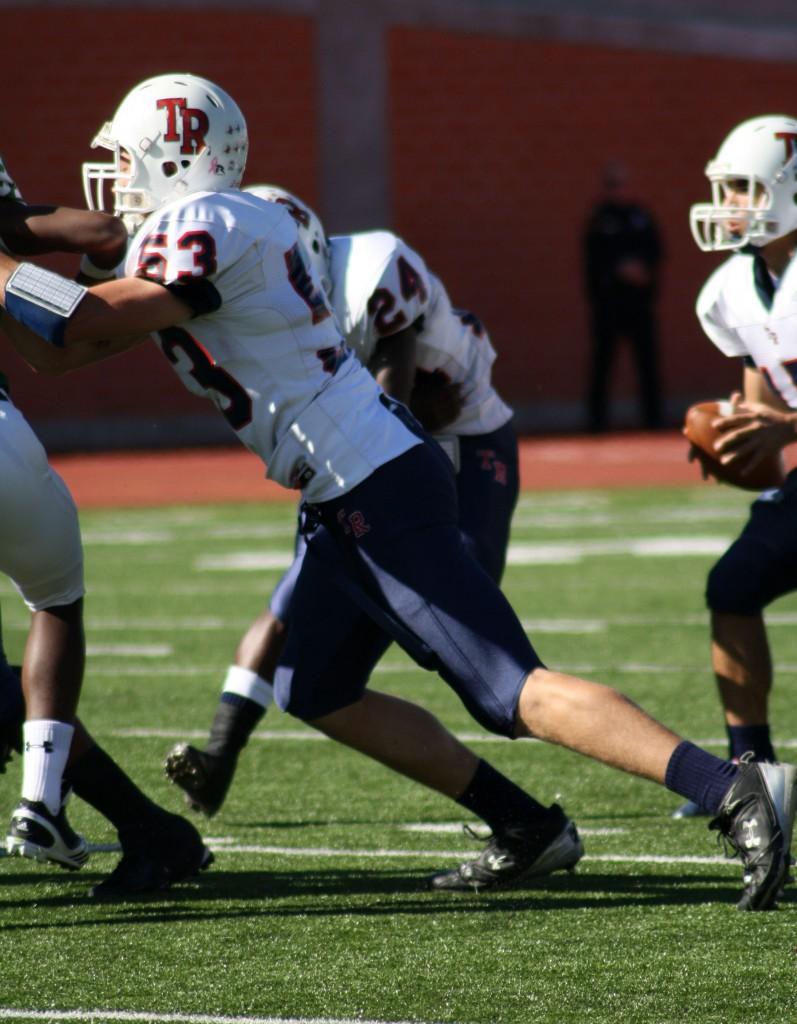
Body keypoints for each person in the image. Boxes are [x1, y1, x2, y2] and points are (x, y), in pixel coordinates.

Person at [0, 73, 794, 910]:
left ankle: (730, 787)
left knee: (507, 690)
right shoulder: (205, 226)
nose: (117, 175)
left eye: (128, 157)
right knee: (314, 685)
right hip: (342, 486)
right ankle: (523, 825)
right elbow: (56, 352)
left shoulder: (213, 221)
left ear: (174, 158)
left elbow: (78, 318)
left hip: (370, 476)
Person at [164, 185, 525, 845]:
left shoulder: (371, 271)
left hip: (458, 441)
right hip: (372, 447)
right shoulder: (277, 305)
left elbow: (401, 405)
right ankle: (220, 752)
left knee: (470, 631)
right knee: (293, 603)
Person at [0, 157, 212, 896]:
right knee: (55, 599)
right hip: (7, 446)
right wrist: (158, 303)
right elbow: (64, 321)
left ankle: (69, 809)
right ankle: (44, 796)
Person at [671, 114, 797, 819]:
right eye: (728, 190)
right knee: (733, 581)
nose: (731, 206)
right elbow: (766, 436)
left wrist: (784, 424)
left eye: (747, 189)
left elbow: (785, 421)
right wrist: (733, 442)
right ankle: (752, 769)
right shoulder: (729, 290)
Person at [583, 161, 664, 432]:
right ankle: (597, 421)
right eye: (614, 185)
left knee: (647, 362)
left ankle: (654, 419)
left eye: (623, 184)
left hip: (639, 304)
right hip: (609, 305)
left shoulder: (641, 216)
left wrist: (643, 271)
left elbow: (657, 252)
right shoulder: (599, 219)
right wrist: (619, 271)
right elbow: (592, 261)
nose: (619, 190)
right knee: (603, 363)